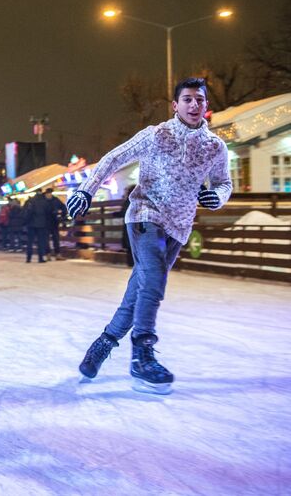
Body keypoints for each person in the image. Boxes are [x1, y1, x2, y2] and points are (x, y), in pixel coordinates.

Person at [68, 78, 232, 394]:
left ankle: (104, 343)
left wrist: (218, 196)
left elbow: (224, 182)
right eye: (187, 99)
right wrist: (87, 190)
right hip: (146, 215)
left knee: (141, 288)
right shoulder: (157, 136)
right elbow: (114, 158)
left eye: (199, 99)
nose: (194, 105)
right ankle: (142, 354)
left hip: (180, 226)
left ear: (206, 105)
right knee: (153, 278)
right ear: (175, 105)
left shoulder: (215, 147)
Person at [23, 191, 51, 263]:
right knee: (40, 242)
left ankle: (28, 258)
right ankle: (40, 258)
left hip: (31, 224)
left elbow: (27, 213)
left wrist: (26, 222)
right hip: (41, 225)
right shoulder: (44, 202)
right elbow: (48, 213)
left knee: (30, 242)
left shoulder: (30, 201)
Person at [44, 188, 67, 260]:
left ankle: (57, 254)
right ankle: (48, 254)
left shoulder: (55, 200)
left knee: (56, 239)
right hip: (45, 222)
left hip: (54, 222)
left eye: (50, 193)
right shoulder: (43, 201)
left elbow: (63, 207)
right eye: (48, 193)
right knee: (46, 239)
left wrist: (61, 215)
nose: (49, 194)